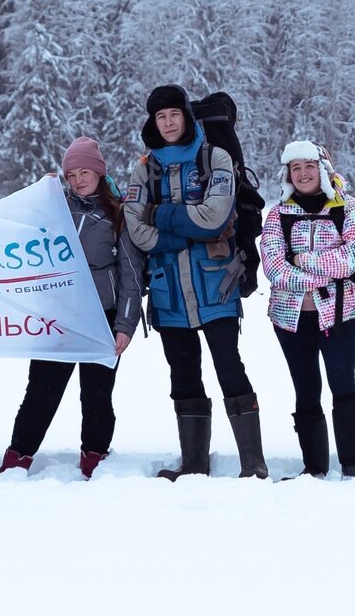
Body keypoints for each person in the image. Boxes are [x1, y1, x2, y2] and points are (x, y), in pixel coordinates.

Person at [124, 85, 269, 480]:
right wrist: (185, 230)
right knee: (182, 374)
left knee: (229, 366)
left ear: (186, 116)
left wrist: (160, 215)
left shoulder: (214, 157)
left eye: (174, 114)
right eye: (160, 117)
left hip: (215, 284)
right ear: (152, 122)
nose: (168, 123)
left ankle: (252, 462)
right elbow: (135, 229)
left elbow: (215, 217)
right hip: (168, 292)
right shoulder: (144, 168)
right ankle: (193, 464)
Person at [0, 137, 144, 479]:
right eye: (71, 174)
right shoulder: (54, 210)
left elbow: (131, 275)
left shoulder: (117, 214)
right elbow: (14, 231)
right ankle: (19, 454)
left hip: (102, 318)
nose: (77, 179)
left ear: (98, 171)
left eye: (84, 172)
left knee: (96, 395)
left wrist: (125, 324)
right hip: (57, 317)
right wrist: (40, 193)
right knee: (41, 391)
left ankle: (94, 455)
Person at [260, 141, 355, 478]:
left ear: (322, 170)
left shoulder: (347, 208)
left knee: (342, 384)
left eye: (309, 166)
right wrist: (321, 274)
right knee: (305, 389)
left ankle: (351, 464)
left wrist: (304, 259)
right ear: (288, 175)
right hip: (291, 319)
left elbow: (351, 258)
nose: (303, 174)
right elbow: (275, 268)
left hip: (340, 314)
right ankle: (315, 467)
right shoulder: (278, 214)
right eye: (296, 168)